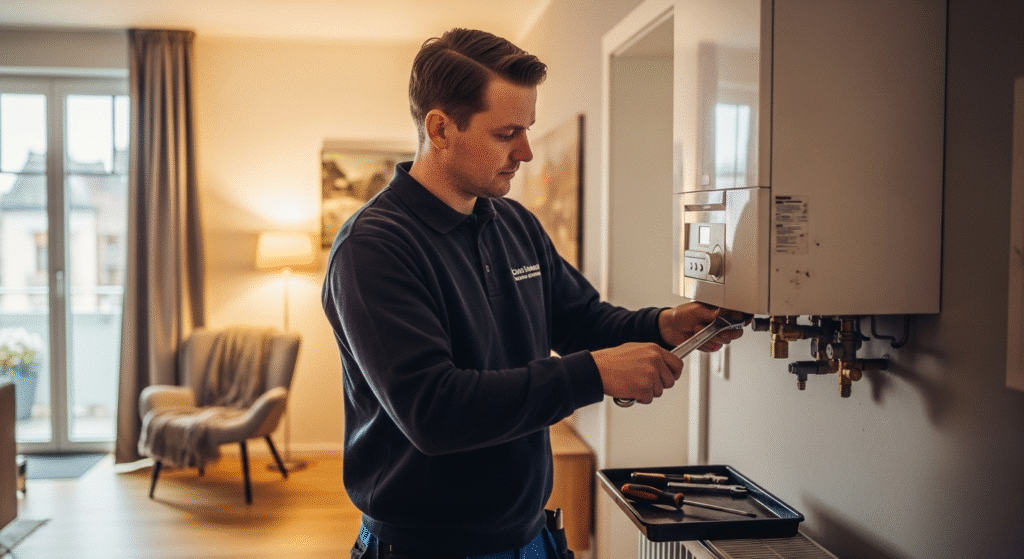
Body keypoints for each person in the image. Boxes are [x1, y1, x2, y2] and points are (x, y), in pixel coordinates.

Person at [321, 28, 746, 559]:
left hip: (530, 536)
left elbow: (581, 319)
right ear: (440, 128)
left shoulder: (513, 223)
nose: (524, 151)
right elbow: (434, 411)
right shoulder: (374, 247)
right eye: (506, 133)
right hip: (427, 547)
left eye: (528, 130)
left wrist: (664, 324)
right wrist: (594, 373)